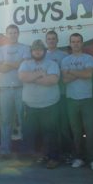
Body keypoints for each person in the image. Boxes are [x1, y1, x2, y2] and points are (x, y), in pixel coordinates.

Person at [19, 39, 61, 169]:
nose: (37, 52)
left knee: (51, 133)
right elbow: (22, 77)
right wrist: (41, 75)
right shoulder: (25, 64)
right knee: (30, 133)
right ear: (31, 52)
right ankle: (38, 157)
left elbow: (53, 80)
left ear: (44, 51)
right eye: (35, 50)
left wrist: (32, 78)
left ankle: (53, 158)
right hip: (30, 106)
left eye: (40, 49)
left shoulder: (51, 64)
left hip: (49, 105)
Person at [61, 33, 93, 170]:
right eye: (73, 41)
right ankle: (78, 157)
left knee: (90, 130)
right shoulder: (65, 60)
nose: (76, 44)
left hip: (87, 99)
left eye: (78, 41)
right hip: (71, 100)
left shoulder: (89, 58)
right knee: (76, 132)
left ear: (82, 43)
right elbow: (65, 80)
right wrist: (80, 73)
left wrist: (72, 72)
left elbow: (88, 74)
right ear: (70, 44)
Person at [0, 24, 30, 159]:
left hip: (21, 88)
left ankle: (24, 152)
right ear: (6, 34)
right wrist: (15, 63)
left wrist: (7, 63)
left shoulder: (25, 48)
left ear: (18, 34)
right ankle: (5, 151)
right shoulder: (0, 49)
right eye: (10, 32)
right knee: (5, 121)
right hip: (5, 89)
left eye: (15, 32)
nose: (13, 35)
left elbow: (24, 65)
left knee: (23, 120)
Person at [45, 30, 73, 163]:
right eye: (49, 39)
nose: (51, 41)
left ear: (57, 41)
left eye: (53, 39)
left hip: (61, 95)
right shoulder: (42, 56)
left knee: (63, 126)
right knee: (49, 127)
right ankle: (49, 154)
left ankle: (67, 153)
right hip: (46, 97)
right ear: (46, 41)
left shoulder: (64, 55)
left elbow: (66, 75)